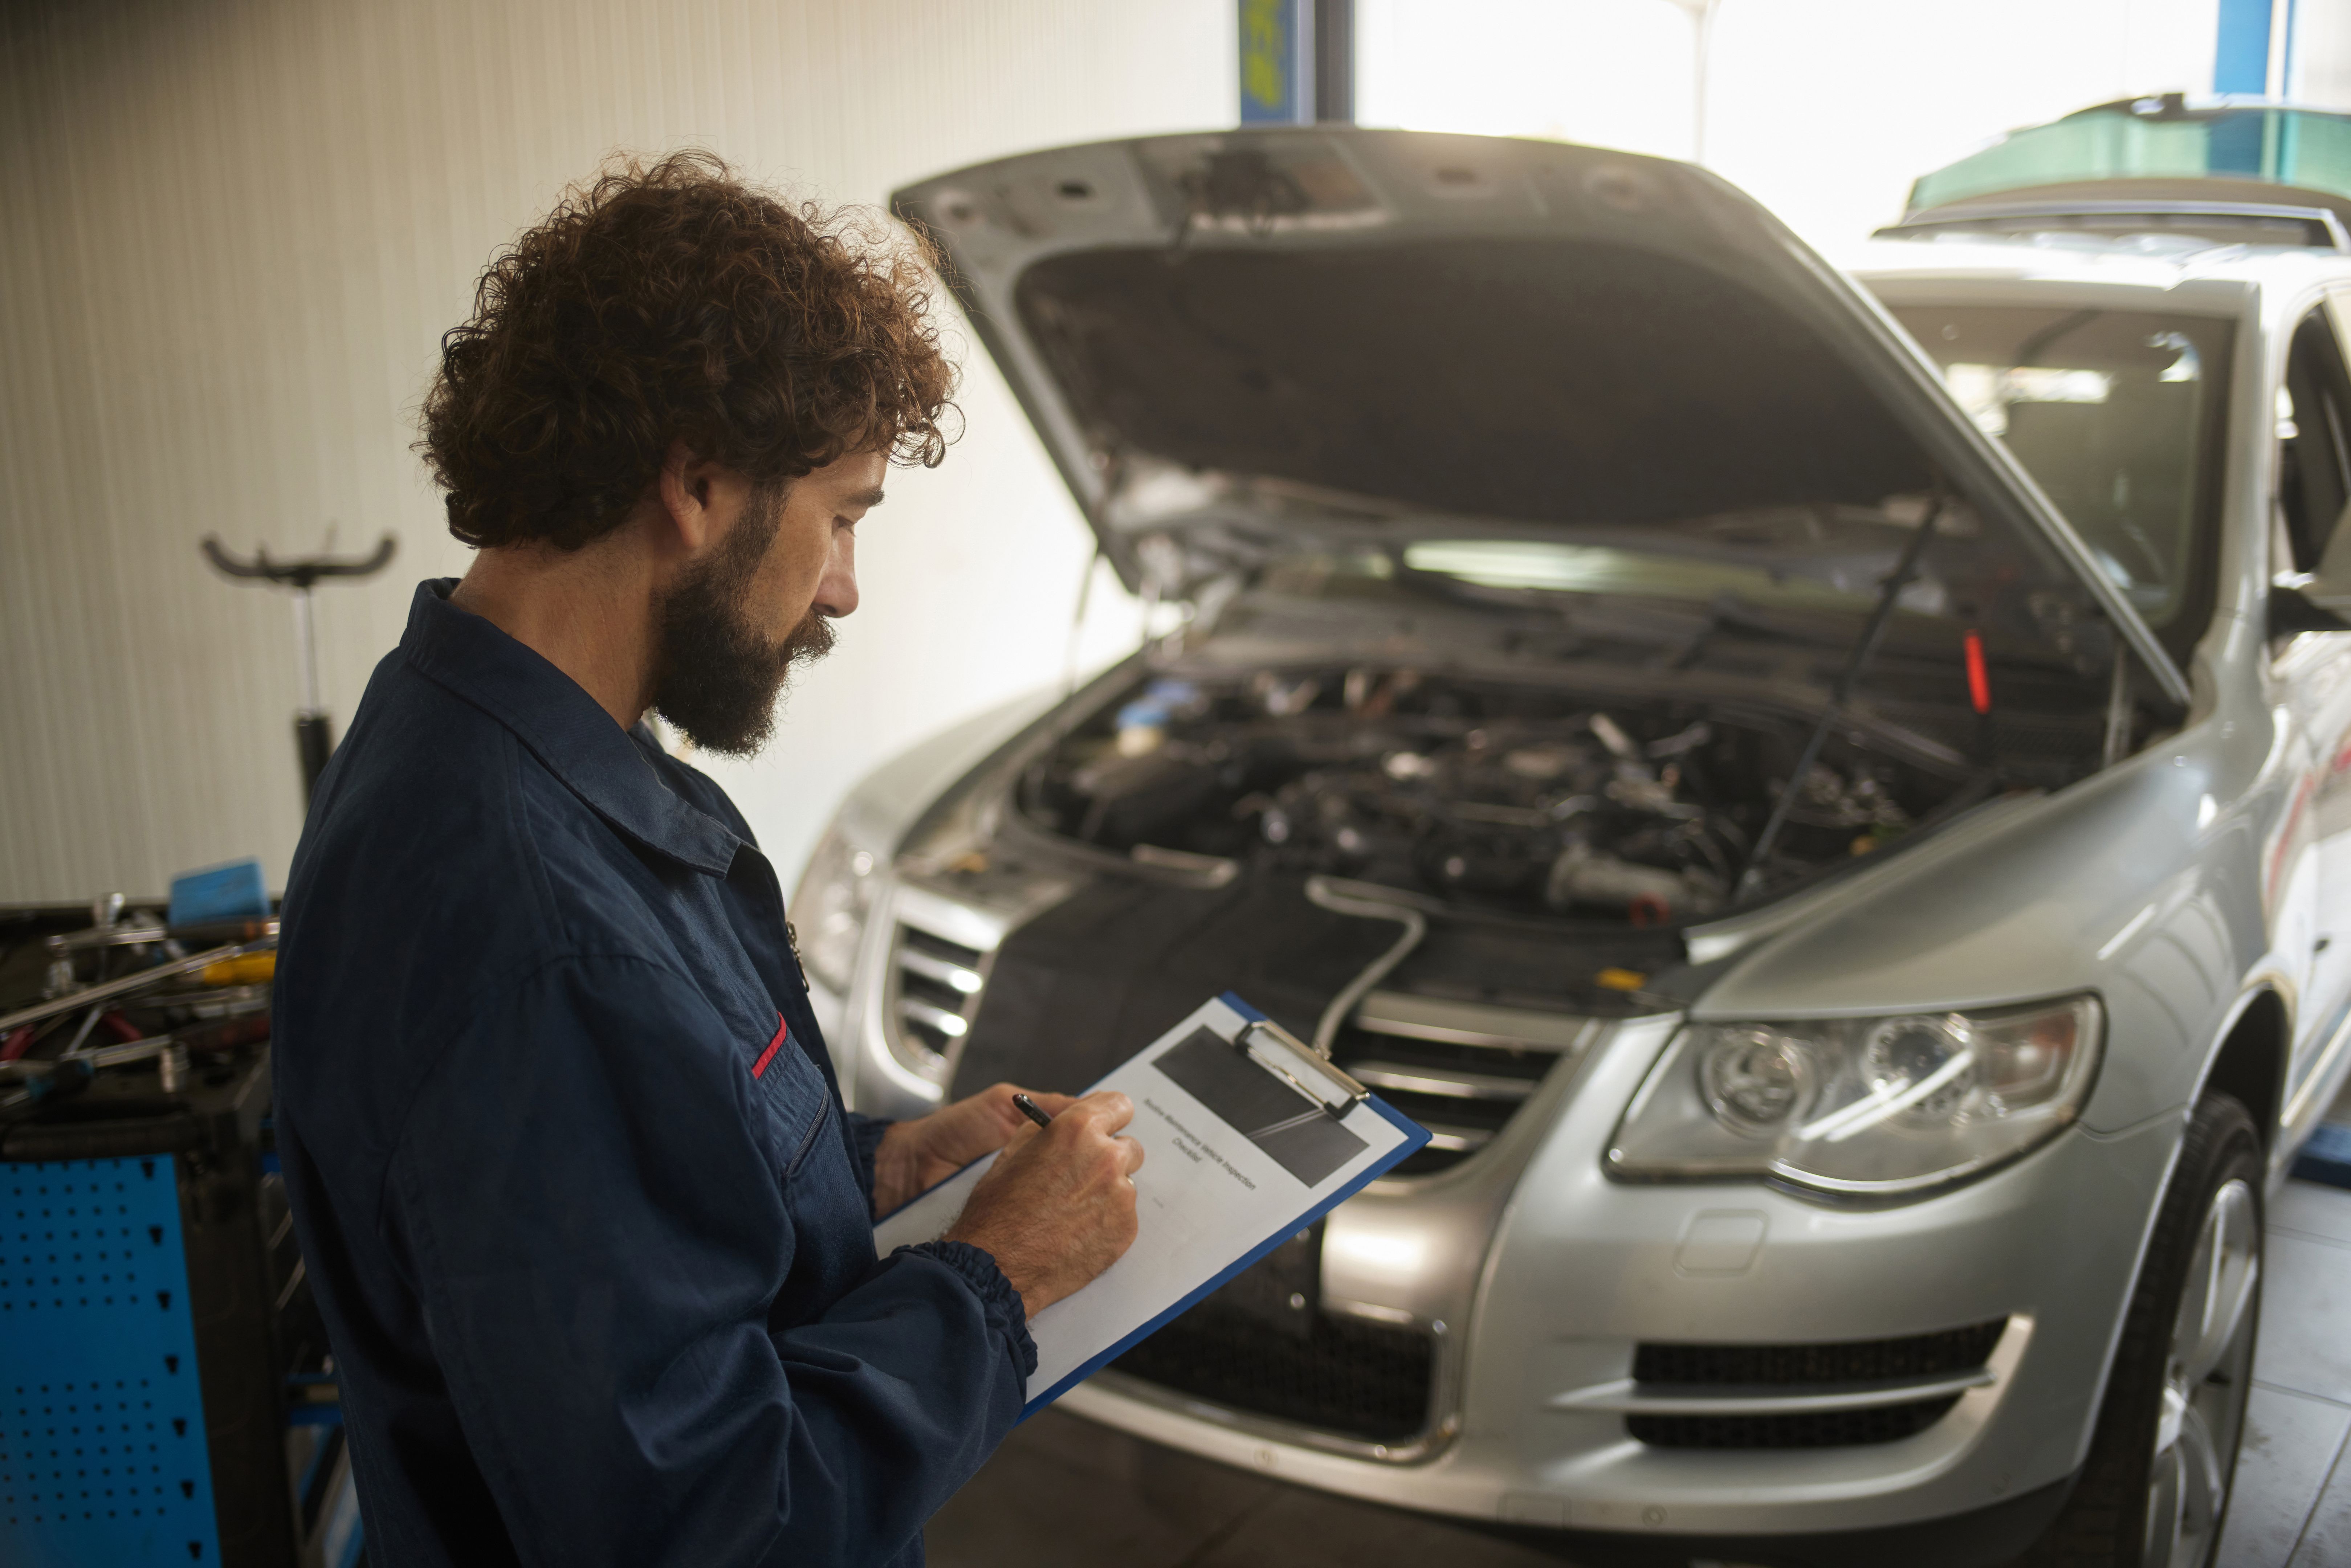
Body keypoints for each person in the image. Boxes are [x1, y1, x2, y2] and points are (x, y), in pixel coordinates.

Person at [271, 150, 1145, 1568]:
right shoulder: (542, 939)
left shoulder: (471, 730)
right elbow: (716, 1524)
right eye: (842, 514)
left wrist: (872, 1171)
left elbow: (627, 1204)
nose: (844, 586)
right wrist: (994, 1274)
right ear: (694, 483)